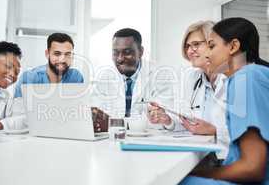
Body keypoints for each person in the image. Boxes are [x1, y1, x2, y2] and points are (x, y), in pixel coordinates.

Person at [180, 17, 269, 184]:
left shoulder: (248, 78)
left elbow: (253, 168)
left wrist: (201, 173)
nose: (206, 53)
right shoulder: (241, 79)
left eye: (211, 46)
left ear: (234, 47)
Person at [147, 21, 229, 158]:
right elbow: (188, 122)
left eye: (196, 44)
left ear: (212, 43)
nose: (190, 51)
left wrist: (215, 131)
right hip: (202, 155)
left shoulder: (232, 78)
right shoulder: (192, 77)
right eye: (188, 46)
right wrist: (168, 120)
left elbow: (252, 130)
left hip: (229, 158)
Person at [92, 28, 175, 131]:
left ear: (140, 52)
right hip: (112, 139)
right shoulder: (105, 77)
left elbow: (163, 120)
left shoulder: (160, 75)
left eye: (127, 52)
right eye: (115, 53)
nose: (120, 58)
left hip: (148, 140)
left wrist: (116, 123)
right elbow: (97, 115)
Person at [14, 32, 84, 98]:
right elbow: (17, 109)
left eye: (67, 54)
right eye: (57, 54)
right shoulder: (29, 78)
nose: (62, 60)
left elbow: (79, 105)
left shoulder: (76, 77)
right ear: (47, 54)